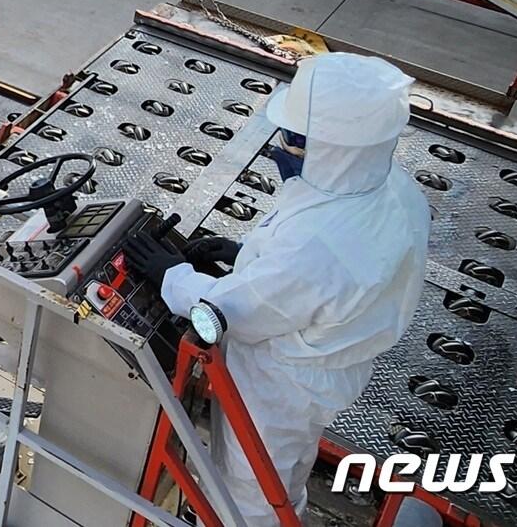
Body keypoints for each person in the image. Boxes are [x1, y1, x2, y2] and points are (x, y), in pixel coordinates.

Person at [132, 52, 430, 526]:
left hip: (279, 383)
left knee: (252, 487)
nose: (284, 147)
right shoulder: (391, 188)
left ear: (334, 149)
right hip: (327, 367)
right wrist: (245, 252)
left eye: (296, 139)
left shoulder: (318, 246)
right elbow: (301, 272)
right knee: (285, 472)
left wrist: (172, 274)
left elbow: (235, 314)